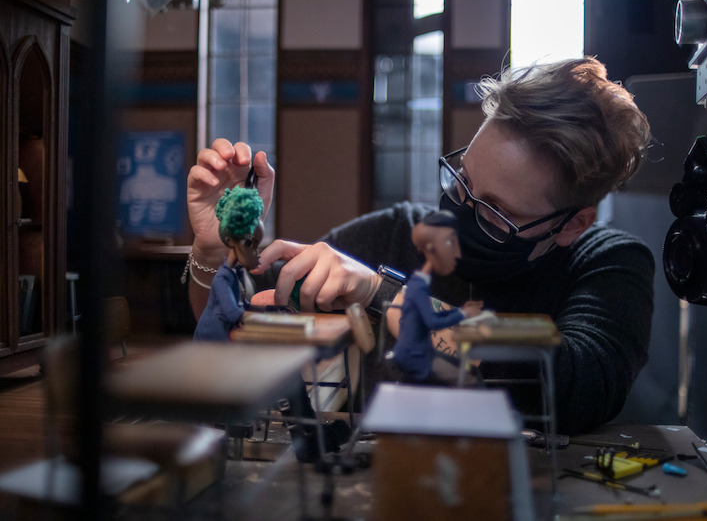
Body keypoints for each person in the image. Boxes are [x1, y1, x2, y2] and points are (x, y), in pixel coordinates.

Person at [186, 56, 654, 435]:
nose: (460, 211)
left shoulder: (609, 262)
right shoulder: (395, 234)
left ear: (572, 225)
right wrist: (216, 251)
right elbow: (233, 315)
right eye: (461, 180)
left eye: (495, 210)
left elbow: (579, 385)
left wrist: (381, 294)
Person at [392, 210, 483, 382]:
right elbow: (432, 322)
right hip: (414, 356)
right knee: (470, 381)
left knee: (470, 377)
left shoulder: (422, 281)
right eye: (450, 243)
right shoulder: (418, 287)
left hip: (421, 352)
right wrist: (462, 313)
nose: (457, 254)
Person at [193, 185, 264, 341]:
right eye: (249, 244)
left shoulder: (236, 273)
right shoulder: (222, 279)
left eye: (257, 246)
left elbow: (242, 304)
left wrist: (270, 310)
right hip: (214, 336)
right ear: (230, 241)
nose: (257, 254)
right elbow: (233, 313)